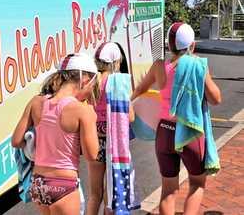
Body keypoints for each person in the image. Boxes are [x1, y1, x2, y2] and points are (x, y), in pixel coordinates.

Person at [131, 22, 222, 215]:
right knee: (197, 183)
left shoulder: (158, 66)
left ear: (169, 46)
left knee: (168, 189)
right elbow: (216, 99)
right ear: (192, 45)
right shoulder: (197, 65)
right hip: (189, 132)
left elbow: (139, 90)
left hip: (164, 132)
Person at [12, 53, 99, 215]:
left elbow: (16, 141)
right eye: (92, 86)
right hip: (64, 185)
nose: (90, 92)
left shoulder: (36, 102)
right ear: (85, 80)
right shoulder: (82, 111)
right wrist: (92, 120)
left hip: (38, 184)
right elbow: (92, 155)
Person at [86, 42, 135, 215]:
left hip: (94, 140)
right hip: (113, 144)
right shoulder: (117, 82)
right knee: (111, 190)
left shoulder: (90, 82)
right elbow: (130, 117)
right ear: (115, 61)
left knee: (94, 194)